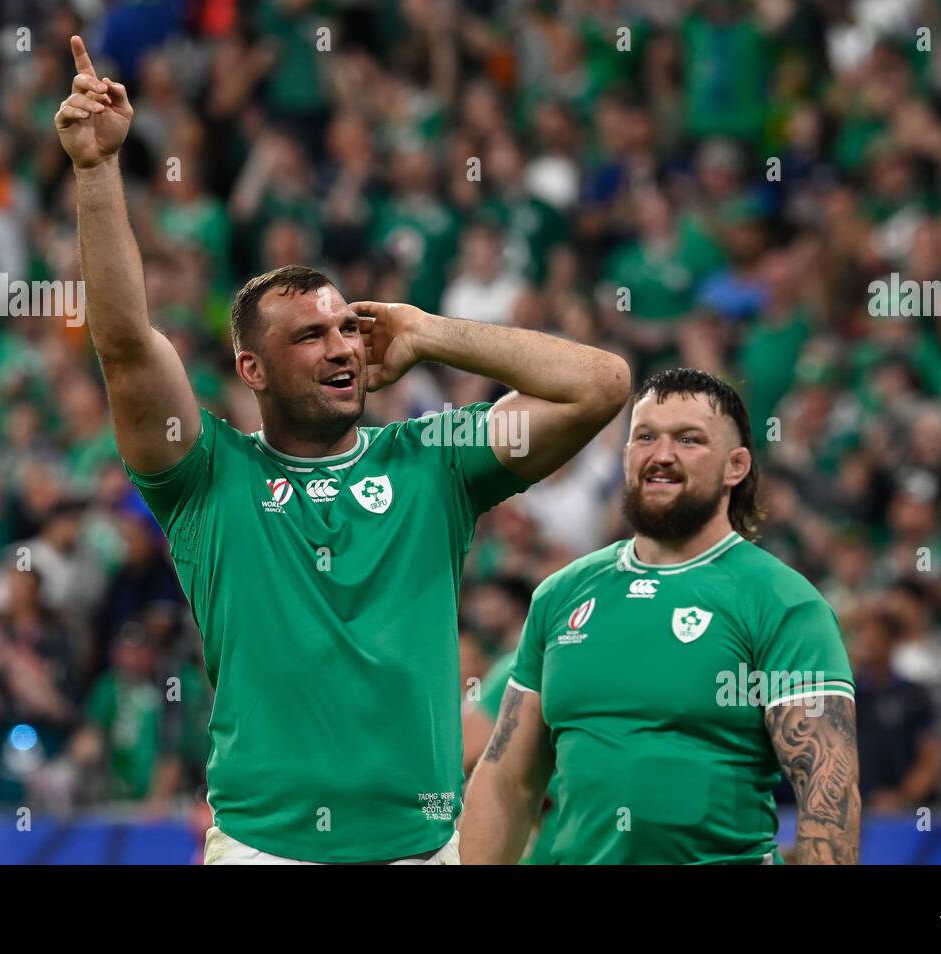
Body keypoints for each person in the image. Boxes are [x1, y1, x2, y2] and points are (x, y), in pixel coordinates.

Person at [53, 36, 630, 865]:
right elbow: (124, 346)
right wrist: (98, 171)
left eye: (346, 328)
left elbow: (601, 384)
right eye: (309, 336)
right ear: (251, 368)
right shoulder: (208, 478)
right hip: (263, 852)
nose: (342, 348)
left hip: (424, 851)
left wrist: (432, 333)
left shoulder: (436, 461)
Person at [461, 369, 859, 864]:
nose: (661, 454)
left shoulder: (783, 601)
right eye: (644, 436)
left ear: (736, 466)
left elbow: (828, 796)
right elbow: (508, 781)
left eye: (689, 439)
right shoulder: (560, 596)